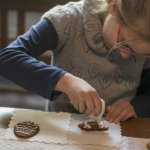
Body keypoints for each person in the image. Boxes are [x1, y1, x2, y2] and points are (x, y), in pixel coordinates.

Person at [0, 0, 150, 124]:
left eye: (137, 53)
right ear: (113, 8)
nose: (125, 55)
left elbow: (147, 93)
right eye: (122, 42)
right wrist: (66, 81)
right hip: (61, 131)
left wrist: (135, 107)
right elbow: (7, 59)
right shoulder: (66, 20)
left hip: (120, 136)